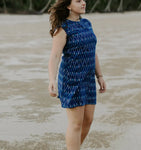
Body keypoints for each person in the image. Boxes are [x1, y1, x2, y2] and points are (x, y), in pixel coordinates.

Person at [48, 0, 106, 149]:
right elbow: (55, 56)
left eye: (84, 0)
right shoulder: (63, 28)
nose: (84, 3)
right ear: (68, 5)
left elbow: (93, 52)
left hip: (88, 79)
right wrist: (52, 80)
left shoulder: (87, 23)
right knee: (76, 124)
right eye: (78, 1)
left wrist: (99, 76)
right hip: (71, 79)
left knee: (88, 120)